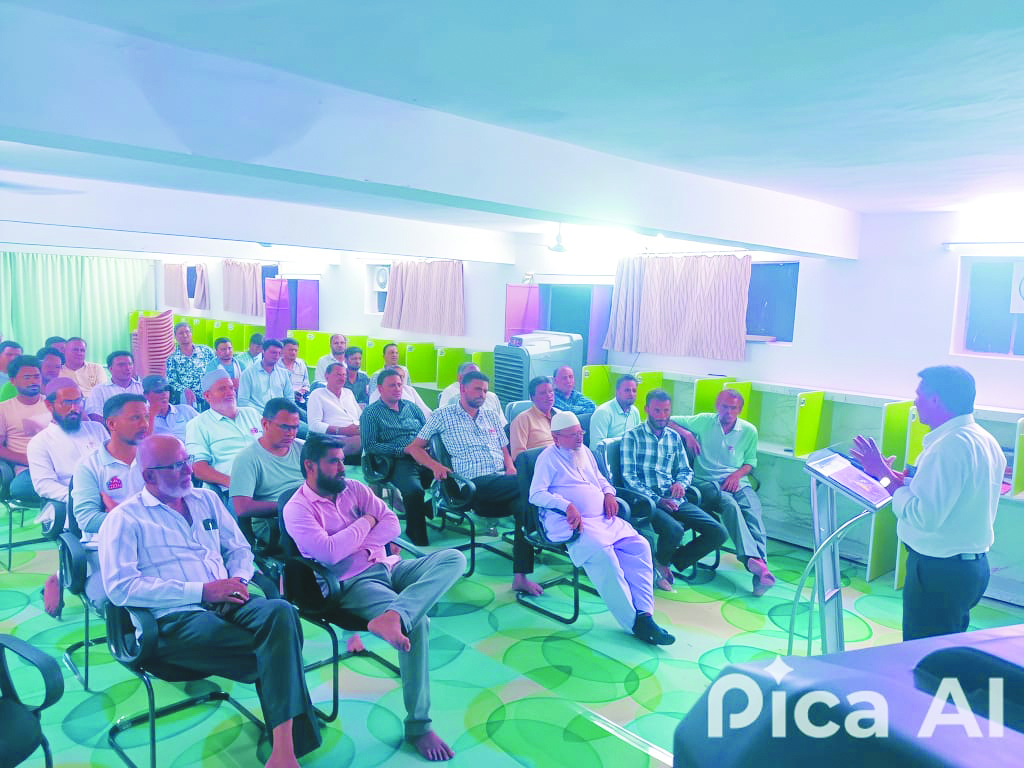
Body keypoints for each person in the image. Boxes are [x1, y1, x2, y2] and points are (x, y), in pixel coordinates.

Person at [98, 435, 322, 767]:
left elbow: (239, 549)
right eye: (176, 466)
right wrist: (202, 591)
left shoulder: (207, 499)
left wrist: (239, 581)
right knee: (278, 646)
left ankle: (283, 745)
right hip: (174, 618)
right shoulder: (125, 519)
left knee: (281, 612)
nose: (189, 470)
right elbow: (121, 588)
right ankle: (286, 746)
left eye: (187, 460)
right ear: (149, 476)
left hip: (229, 600)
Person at [283, 434, 464, 762]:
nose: (342, 468)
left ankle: (396, 615)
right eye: (333, 462)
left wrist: (359, 542)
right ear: (310, 466)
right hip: (353, 583)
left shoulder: (353, 488)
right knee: (418, 623)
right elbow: (329, 553)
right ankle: (419, 726)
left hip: (388, 565)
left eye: (342, 460)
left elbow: (393, 524)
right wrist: (367, 521)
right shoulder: (297, 509)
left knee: (453, 559)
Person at [851, 366, 1005, 641]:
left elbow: (923, 516)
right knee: (946, 646)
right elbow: (954, 495)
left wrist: (883, 478)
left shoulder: (948, 447)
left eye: (919, 395)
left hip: (939, 573)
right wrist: (896, 479)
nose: (915, 402)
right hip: (968, 569)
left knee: (924, 651)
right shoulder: (983, 439)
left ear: (936, 400)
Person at [530, 411, 674, 645]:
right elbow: (536, 494)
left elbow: (600, 479)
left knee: (640, 545)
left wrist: (608, 493)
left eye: (581, 432)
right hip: (573, 523)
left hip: (603, 519)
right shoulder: (548, 458)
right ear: (556, 438)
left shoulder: (584, 451)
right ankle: (633, 623)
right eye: (573, 435)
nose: (579, 438)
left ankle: (645, 613)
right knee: (604, 556)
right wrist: (566, 505)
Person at [406, 371, 542, 595]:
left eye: (485, 391)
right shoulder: (442, 415)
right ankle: (551, 532)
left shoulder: (491, 415)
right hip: (472, 484)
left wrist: (510, 466)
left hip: (501, 481)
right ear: (463, 388)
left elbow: (504, 449)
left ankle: (520, 576)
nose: (482, 394)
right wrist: (435, 466)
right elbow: (413, 448)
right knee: (533, 486)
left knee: (523, 504)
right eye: (478, 389)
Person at [621, 390, 728, 592]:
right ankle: (662, 565)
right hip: (647, 502)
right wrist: (658, 500)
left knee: (719, 533)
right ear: (646, 409)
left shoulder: (673, 437)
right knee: (675, 530)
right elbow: (629, 478)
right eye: (657, 411)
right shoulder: (632, 436)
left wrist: (680, 484)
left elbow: (686, 470)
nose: (662, 416)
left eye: (666, 411)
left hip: (675, 499)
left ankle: (664, 562)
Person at [671, 389, 775, 596]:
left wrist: (736, 476)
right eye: (724, 407)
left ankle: (760, 569)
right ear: (717, 406)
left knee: (753, 511)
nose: (728, 412)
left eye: (733, 408)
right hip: (708, 484)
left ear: (740, 409)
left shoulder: (749, 431)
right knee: (730, 506)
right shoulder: (703, 421)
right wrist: (687, 434)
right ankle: (753, 562)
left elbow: (750, 462)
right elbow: (669, 420)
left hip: (738, 482)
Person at [27, 377, 109, 615]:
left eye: (78, 401)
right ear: (49, 405)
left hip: (109, 497)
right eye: (67, 403)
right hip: (66, 504)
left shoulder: (97, 429)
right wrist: (85, 498)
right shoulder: (40, 442)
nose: (75, 408)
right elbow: (43, 485)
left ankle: (64, 575)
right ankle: (64, 575)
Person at [71, 393, 147, 605]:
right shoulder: (89, 465)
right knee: (116, 601)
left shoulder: (153, 456)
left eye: (146, 417)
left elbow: (173, 505)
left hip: (153, 541)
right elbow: (87, 520)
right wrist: (141, 518)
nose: (145, 424)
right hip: (106, 547)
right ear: (112, 424)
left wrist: (119, 512)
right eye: (136, 418)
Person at [361, 368, 434, 545]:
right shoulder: (371, 413)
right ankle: (416, 534)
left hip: (422, 455)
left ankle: (424, 508)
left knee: (451, 477)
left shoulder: (412, 408)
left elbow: (426, 432)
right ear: (380, 388)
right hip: (394, 461)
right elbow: (370, 445)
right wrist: (403, 450)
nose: (397, 388)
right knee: (414, 490)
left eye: (400, 385)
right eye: (392, 385)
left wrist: (427, 448)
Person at [229, 398, 303, 548]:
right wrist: (290, 505)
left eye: (295, 427)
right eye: (284, 427)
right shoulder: (247, 458)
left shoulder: (303, 448)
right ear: (265, 424)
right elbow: (242, 508)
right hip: (274, 522)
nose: (291, 433)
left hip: (309, 512)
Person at [185, 369, 263, 494]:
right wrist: (235, 483)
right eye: (222, 389)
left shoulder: (251, 413)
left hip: (271, 479)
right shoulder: (197, 424)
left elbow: (275, 443)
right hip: (236, 490)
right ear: (207, 396)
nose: (230, 393)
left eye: (231, 388)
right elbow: (199, 468)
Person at [0, 356, 52, 501]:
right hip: (28, 469)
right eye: (27, 377)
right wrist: (29, 460)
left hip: (59, 464)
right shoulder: (3, 409)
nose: (33, 381)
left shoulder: (54, 404)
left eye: (36, 377)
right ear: (13, 381)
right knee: (20, 488)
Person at [306, 363, 361, 454]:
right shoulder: (317, 394)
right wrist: (344, 431)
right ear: (326, 376)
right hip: (333, 438)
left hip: (357, 434)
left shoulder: (349, 393)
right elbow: (314, 425)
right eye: (338, 375)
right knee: (365, 441)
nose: (342, 378)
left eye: (344, 375)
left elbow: (361, 416)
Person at [438, 363, 506, 427]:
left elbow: (502, 423)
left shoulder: (492, 397)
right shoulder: (451, 393)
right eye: (470, 376)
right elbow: (443, 419)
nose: (475, 378)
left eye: (477, 375)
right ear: (460, 378)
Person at [166, 322, 216, 408]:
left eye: (187, 332)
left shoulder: (206, 351)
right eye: (181, 333)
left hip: (211, 398)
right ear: (175, 337)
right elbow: (170, 381)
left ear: (191, 333)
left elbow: (216, 370)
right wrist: (184, 389)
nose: (185, 335)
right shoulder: (172, 359)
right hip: (188, 401)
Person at [85, 350, 143, 421]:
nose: (127, 368)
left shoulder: (142, 387)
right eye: (121, 365)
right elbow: (94, 414)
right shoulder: (99, 390)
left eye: (130, 364)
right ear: (110, 369)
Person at [510, 375, 558, 459]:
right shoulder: (522, 420)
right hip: (541, 463)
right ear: (532, 398)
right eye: (543, 393)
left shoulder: (560, 415)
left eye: (550, 391)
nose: (548, 395)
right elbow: (518, 456)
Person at [238, 339, 294, 410]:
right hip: (257, 413)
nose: (277, 356)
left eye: (279, 353)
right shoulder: (248, 373)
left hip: (279, 413)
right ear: (263, 351)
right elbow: (243, 401)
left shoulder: (284, 374)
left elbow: (290, 398)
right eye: (273, 353)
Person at [589, 374, 641, 447]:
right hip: (609, 454)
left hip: (629, 452)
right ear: (617, 392)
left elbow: (638, 439)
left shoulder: (635, 411)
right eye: (627, 390)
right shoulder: (603, 413)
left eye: (634, 391)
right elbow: (596, 447)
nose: (631, 394)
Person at [143, 375, 199, 441]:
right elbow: (143, 443)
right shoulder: (143, 419)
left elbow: (205, 426)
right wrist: (151, 417)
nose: (164, 393)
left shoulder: (185, 410)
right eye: (158, 390)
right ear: (146, 395)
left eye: (166, 389)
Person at [280, 338, 310, 405]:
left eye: (295, 350)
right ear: (282, 350)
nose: (293, 352)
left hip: (299, 400)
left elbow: (306, 385)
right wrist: (291, 394)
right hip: (282, 400)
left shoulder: (301, 364)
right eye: (290, 350)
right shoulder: (276, 365)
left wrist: (301, 391)